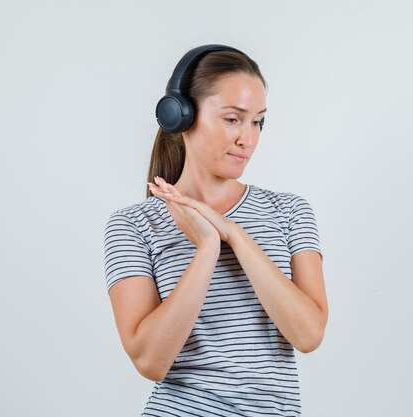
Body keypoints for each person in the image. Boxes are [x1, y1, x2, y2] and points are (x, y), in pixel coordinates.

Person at [103, 44, 328, 417]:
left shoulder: (290, 211)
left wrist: (234, 235)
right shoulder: (133, 226)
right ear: (180, 116)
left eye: (258, 121)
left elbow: (308, 334)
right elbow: (150, 361)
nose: (248, 139)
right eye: (232, 119)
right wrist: (206, 246)